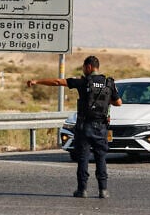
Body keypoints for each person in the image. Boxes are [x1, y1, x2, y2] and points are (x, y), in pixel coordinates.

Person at [26, 55, 122, 199]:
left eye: (84, 67)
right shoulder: (108, 83)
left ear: (89, 67)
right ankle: (103, 190)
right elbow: (119, 102)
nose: (83, 70)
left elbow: (58, 82)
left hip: (85, 127)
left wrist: (36, 81)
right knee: (101, 158)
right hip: (101, 127)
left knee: (83, 158)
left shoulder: (83, 82)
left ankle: (82, 190)